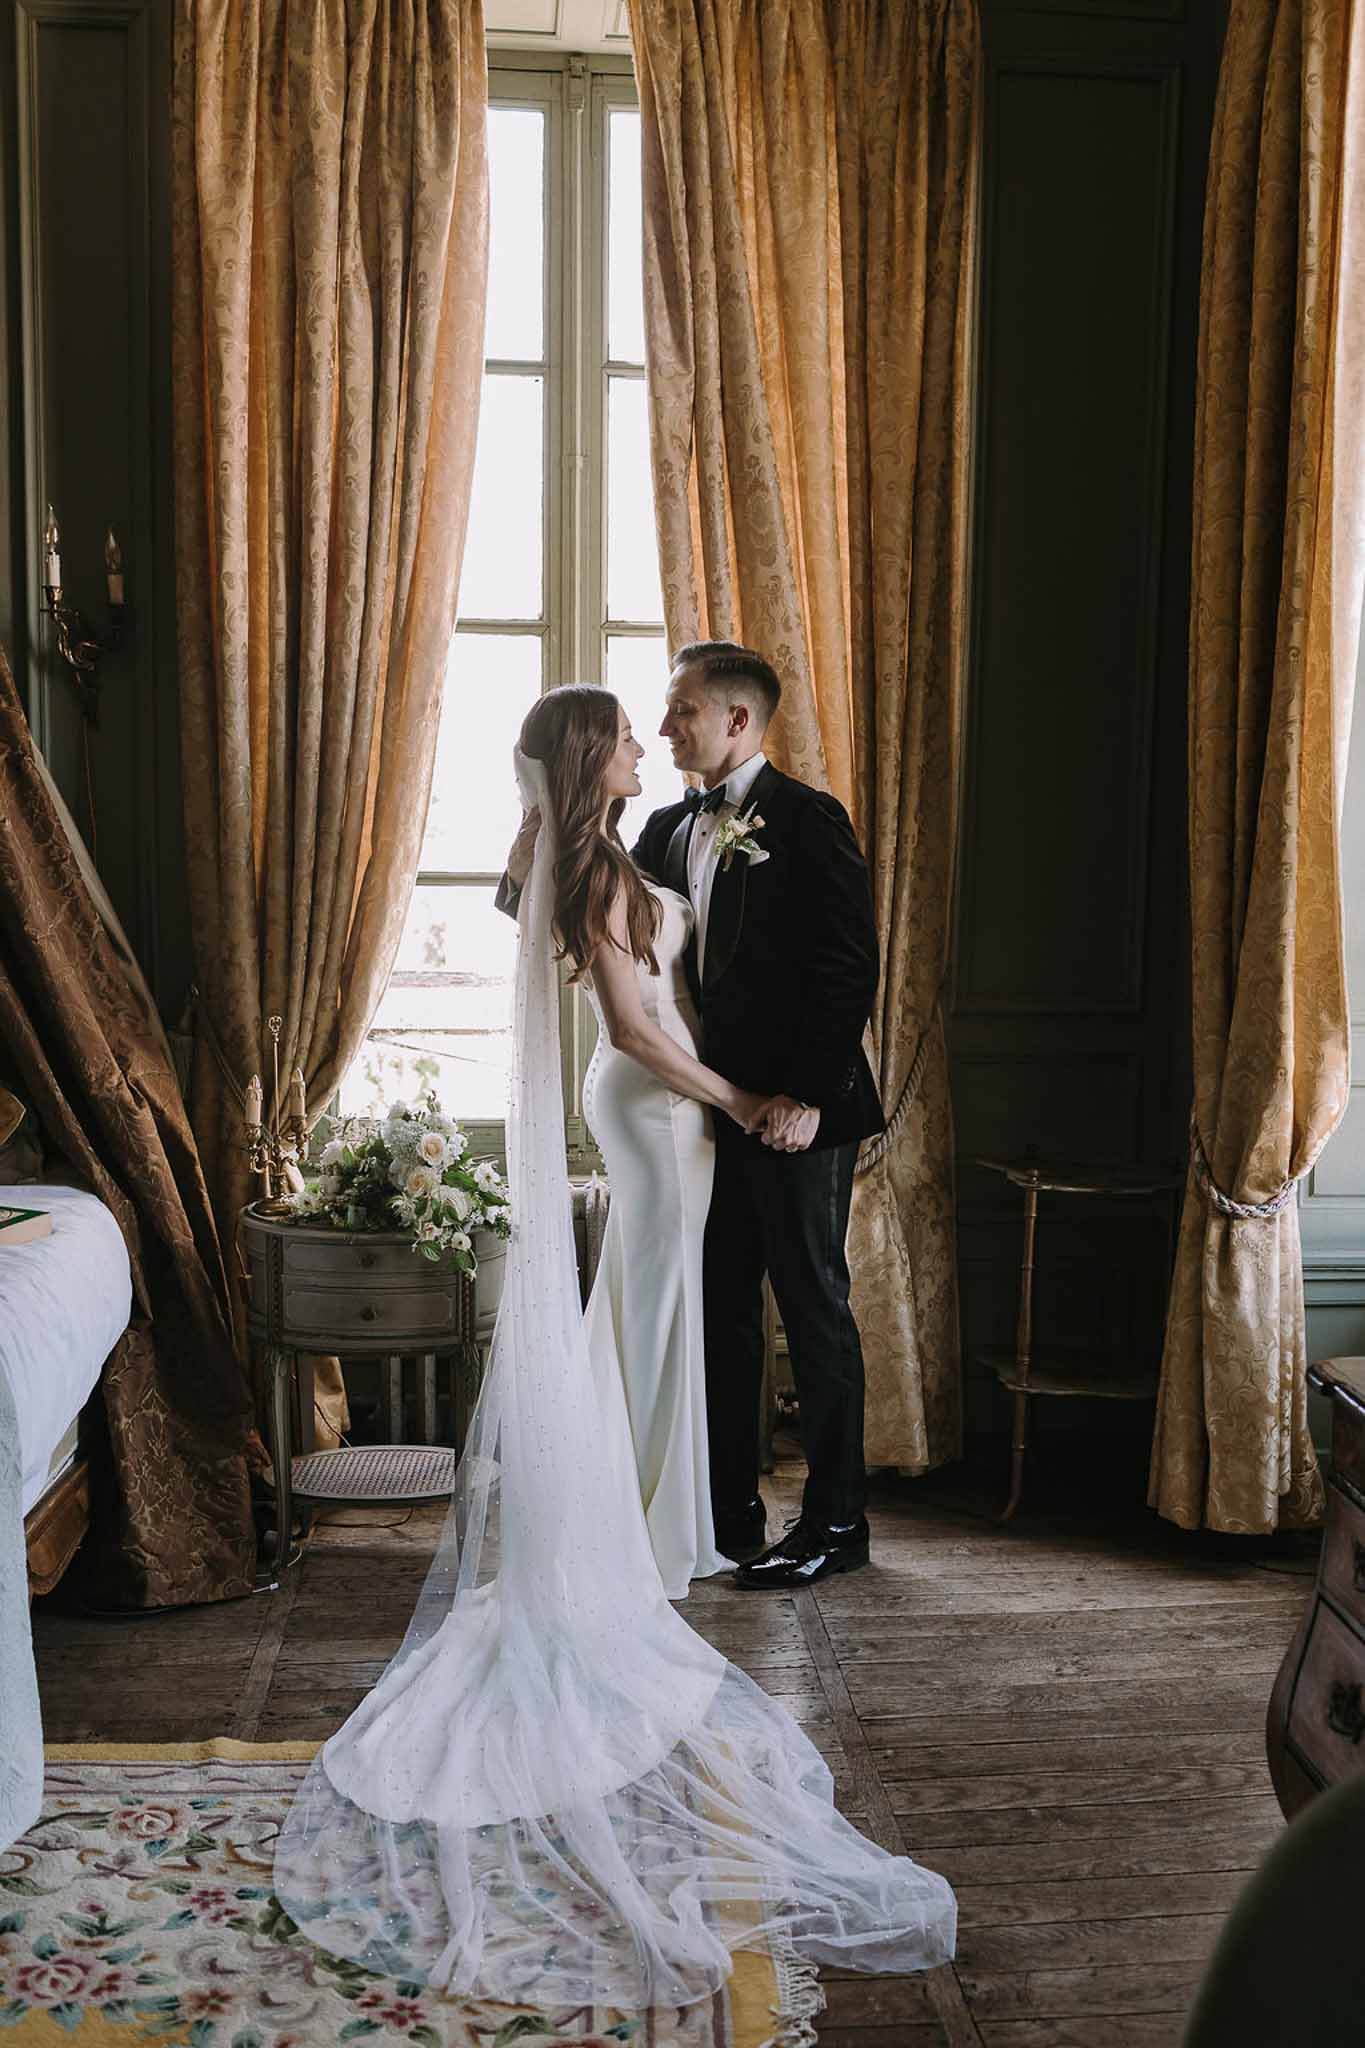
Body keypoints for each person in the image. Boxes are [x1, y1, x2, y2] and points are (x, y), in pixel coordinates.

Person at [273, 686, 955, 2011]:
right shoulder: (601, 872)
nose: (653, 737)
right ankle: (639, 1535)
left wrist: (753, 1081)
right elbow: (644, 1028)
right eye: (633, 733)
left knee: (654, 1316)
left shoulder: (616, 852)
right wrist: (738, 1094)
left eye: (673, 719)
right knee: (646, 1311)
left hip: (661, 1111)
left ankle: (656, 1519)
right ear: (596, 761)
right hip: (654, 1112)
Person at [505, 642, 883, 1589]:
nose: (665, 727)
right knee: (716, 1315)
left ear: (738, 722)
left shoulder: (808, 821)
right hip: (695, 1116)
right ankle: (720, 1514)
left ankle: (836, 1524)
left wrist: (798, 1097)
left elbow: (848, 969)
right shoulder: (667, 826)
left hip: (790, 1116)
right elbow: (565, 904)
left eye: (679, 712)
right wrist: (534, 820)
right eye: (658, 718)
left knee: (812, 1306)